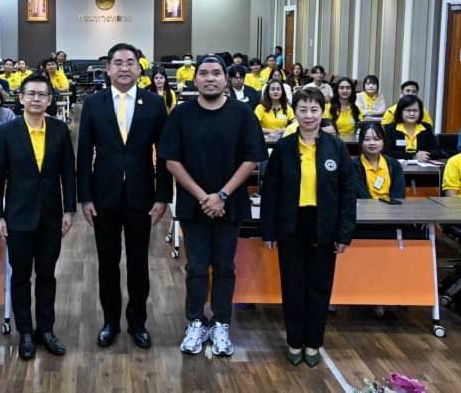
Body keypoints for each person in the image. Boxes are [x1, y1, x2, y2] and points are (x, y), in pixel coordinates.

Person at [159, 56, 267, 357]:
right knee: (195, 266)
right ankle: (195, 321)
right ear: (195, 79)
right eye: (204, 73)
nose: (210, 78)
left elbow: (252, 158)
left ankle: (221, 322)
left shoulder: (242, 113)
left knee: (224, 266)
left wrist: (221, 195)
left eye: (216, 73)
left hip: (229, 204)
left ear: (226, 78)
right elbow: (171, 160)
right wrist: (203, 197)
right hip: (194, 205)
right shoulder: (181, 114)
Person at [77, 43, 173, 350]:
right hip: (103, 196)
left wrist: (162, 197)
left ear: (139, 68)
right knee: (107, 263)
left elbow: (165, 153)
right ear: (107, 68)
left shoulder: (154, 103)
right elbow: (83, 153)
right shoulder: (94, 103)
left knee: (138, 263)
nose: (124, 68)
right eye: (118, 63)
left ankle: (137, 322)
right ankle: (110, 321)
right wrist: (85, 197)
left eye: (130, 62)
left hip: (141, 196)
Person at [260, 88, 356, 368]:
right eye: (303, 109)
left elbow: (347, 193)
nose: (309, 115)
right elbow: (271, 192)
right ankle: (294, 341)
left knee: (319, 286)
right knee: (293, 286)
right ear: (295, 112)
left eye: (314, 109)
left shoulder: (336, 147)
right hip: (291, 224)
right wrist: (268, 231)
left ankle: (313, 343)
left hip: (324, 225)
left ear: (322, 111)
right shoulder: (284, 148)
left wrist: (344, 233)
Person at [0, 74, 77, 360]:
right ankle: (25, 332)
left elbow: (68, 172)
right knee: (20, 277)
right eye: (31, 94)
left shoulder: (60, 130)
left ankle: (46, 330)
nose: (36, 99)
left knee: (47, 275)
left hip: (51, 215)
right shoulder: (7, 131)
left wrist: (69, 209)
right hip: (17, 216)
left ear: (50, 100)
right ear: (21, 98)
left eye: (42, 95)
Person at [354, 122, 405, 201]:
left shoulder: (394, 164)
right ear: (361, 142)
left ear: (383, 141)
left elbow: (399, 194)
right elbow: (360, 196)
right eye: (367, 139)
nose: (372, 143)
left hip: (391, 207)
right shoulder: (353, 166)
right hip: (365, 207)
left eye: (376, 139)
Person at [383, 95, 442, 161]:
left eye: (415, 110)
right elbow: (387, 152)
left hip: (422, 165)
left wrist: (424, 155)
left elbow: (437, 151)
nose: (412, 114)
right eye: (408, 110)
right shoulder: (391, 128)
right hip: (397, 165)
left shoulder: (426, 128)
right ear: (400, 112)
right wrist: (413, 156)